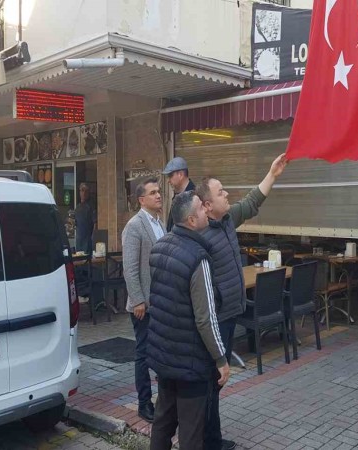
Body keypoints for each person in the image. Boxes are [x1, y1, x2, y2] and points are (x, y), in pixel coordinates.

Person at [196, 153, 288, 450]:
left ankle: (209, 437)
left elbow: (251, 202)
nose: (227, 194)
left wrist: (272, 173)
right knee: (214, 379)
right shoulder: (199, 234)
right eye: (221, 191)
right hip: (217, 317)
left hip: (232, 312)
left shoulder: (227, 220)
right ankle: (208, 441)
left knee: (216, 381)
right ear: (207, 205)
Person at [147, 191, 231, 450]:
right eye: (202, 209)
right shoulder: (198, 258)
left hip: (165, 356)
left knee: (163, 421)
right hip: (191, 363)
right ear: (192, 221)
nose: (207, 210)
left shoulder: (160, 247)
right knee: (192, 432)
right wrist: (221, 359)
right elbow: (205, 319)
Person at [121, 177, 165, 423]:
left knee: (159, 352)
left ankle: (163, 400)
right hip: (143, 305)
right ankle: (144, 403)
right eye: (153, 192)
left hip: (161, 302)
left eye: (159, 192)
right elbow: (130, 268)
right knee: (144, 353)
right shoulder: (135, 226)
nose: (158, 196)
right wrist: (138, 299)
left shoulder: (160, 223)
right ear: (141, 199)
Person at [162, 156, 196, 232]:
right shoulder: (177, 196)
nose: (168, 181)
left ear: (180, 174)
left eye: (170, 176)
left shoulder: (195, 197)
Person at [74, 183, 96, 254]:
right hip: (78, 240)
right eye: (82, 190)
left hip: (87, 241)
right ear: (79, 192)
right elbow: (75, 223)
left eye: (86, 191)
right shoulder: (77, 207)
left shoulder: (90, 207)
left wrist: (92, 238)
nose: (84, 193)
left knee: (86, 261)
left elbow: (95, 223)